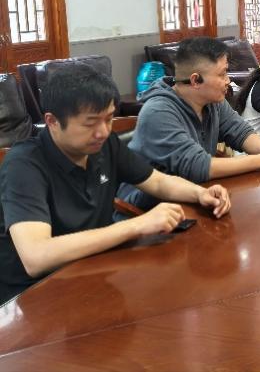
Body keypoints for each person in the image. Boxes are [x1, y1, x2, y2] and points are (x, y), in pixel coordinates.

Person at [0, 66, 231, 304]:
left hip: (92, 273)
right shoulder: (24, 165)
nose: (103, 132)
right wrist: (137, 225)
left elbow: (156, 181)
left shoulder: (105, 146)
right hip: (33, 297)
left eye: (109, 118)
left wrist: (200, 194)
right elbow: (36, 257)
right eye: (90, 123)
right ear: (53, 122)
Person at [122, 37, 260, 210]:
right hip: (147, 211)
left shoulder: (213, 101)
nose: (228, 80)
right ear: (195, 80)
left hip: (196, 196)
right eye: (222, 74)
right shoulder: (158, 112)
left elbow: (240, 131)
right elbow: (197, 166)